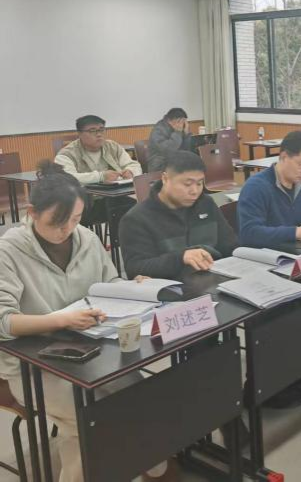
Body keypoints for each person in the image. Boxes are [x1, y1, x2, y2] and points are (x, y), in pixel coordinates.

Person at [0, 162, 175, 482]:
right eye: (57, 222)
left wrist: (132, 287)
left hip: (91, 349)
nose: (67, 230)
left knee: (142, 398)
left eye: (76, 219)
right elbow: (3, 322)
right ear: (32, 212)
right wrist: (59, 320)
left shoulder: (86, 239)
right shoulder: (8, 251)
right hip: (32, 363)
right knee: (88, 419)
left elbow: (108, 284)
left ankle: (154, 468)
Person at [119, 151, 237, 280]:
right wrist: (180, 258)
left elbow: (230, 246)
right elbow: (135, 268)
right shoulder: (137, 219)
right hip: (173, 286)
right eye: (187, 184)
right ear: (165, 179)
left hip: (214, 280)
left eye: (199, 183)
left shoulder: (206, 203)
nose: (195, 191)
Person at [238, 130, 301, 248]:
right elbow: (249, 234)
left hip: (296, 250)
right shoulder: (256, 187)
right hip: (266, 253)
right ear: (284, 157)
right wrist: (295, 232)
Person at [55, 114, 142, 185]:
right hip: (86, 197)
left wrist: (131, 171)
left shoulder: (113, 146)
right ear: (79, 134)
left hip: (116, 194)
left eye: (101, 130)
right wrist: (100, 177)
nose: (99, 134)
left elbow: (134, 164)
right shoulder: (66, 154)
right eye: (92, 131)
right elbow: (67, 178)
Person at [147, 108, 194, 173]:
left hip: (175, 161)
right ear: (169, 120)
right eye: (180, 121)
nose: (182, 124)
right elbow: (168, 150)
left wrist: (186, 135)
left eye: (184, 121)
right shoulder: (158, 130)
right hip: (159, 165)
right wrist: (177, 132)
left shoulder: (180, 127)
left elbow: (187, 150)